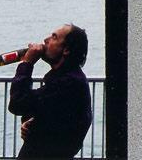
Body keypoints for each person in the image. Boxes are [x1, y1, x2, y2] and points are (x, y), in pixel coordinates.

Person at [7, 24, 93, 159]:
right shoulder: (67, 79)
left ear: (66, 49)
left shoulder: (68, 83)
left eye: (54, 37)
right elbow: (40, 108)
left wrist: (27, 63)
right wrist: (30, 123)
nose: (46, 40)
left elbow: (18, 103)